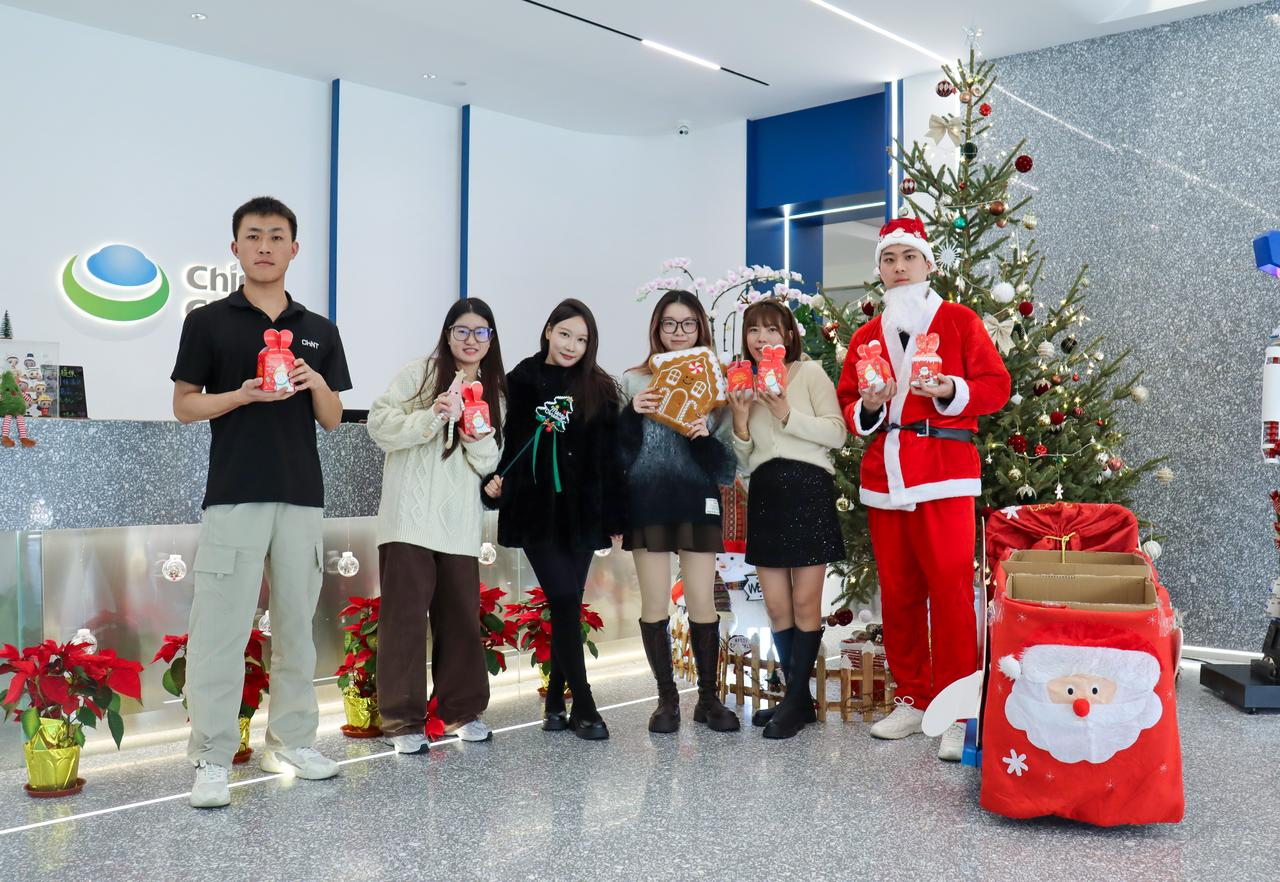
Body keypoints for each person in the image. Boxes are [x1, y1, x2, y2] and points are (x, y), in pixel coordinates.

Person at [172, 196, 351, 808]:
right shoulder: (209, 322)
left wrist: (318, 381)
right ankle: (212, 757)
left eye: (277, 236)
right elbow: (184, 404)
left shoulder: (320, 330)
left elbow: (332, 420)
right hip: (235, 494)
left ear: (294, 249)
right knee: (220, 630)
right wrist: (241, 395)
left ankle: (294, 741)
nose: (266, 245)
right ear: (236, 248)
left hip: (301, 497)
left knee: (298, 628)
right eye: (254, 236)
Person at [836, 216, 1010, 761]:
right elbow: (849, 403)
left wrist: (951, 389)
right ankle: (913, 698)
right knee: (901, 594)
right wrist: (868, 405)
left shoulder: (959, 322)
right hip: (886, 477)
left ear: (928, 264)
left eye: (909, 257)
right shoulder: (867, 336)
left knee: (953, 593)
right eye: (889, 260)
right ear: (880, 272)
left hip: (944, 472)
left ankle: (960, 709)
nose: (898, 267)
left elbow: (995, 386)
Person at [482, 299, 625, 740]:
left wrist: (617, 514)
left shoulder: (600, 387)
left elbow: (611, 458)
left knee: (568, 603)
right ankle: (584, 705)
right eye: (565, 334)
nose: (572, 346)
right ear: (548, 331)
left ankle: (553, 703)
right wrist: (492, 483)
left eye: (582, 340)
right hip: (535, 507)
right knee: (564, 599)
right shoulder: (519, 382)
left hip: (583, 510)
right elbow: (503, 444)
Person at [367, 298, 506, 754]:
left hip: (459, 522)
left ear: (491, 340)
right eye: (462, 331)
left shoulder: (494, 392)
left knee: (461, 618)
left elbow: (490, 461)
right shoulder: (419, 374)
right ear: (447, 334)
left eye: (480, 332)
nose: (471, 340)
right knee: (404, 621)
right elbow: (380, 426)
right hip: (408, 519)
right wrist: (434, 416)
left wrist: (474, 437)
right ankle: (402, 721)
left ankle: (463, 710)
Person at [619, 290, 739, 734]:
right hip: (647, 500)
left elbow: (726, 465)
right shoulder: (633, 380)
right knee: (654, 604)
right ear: (657, 328)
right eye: (669, 324)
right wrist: (632, 414)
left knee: (703, 602)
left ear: (700, 329)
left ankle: (709, 699)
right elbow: (618, 454)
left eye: (687, 324)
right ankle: (666, 700)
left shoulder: (718, 382)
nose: (678, 332)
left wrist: (703, 435)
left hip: (696, 499)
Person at [727, 299, 847, 740]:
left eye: (772, 330)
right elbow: (743, 464)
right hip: (766, 495)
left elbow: (837, 433)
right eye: (754, 331)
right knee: (775, 605)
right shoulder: (743, 383)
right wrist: (740, 420)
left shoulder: (809, 373)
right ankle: (798, 700)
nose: (763, 339)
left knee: (803, 603)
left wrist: (785, 413)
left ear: (789, 336)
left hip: (808, 491)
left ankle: (795, 701)